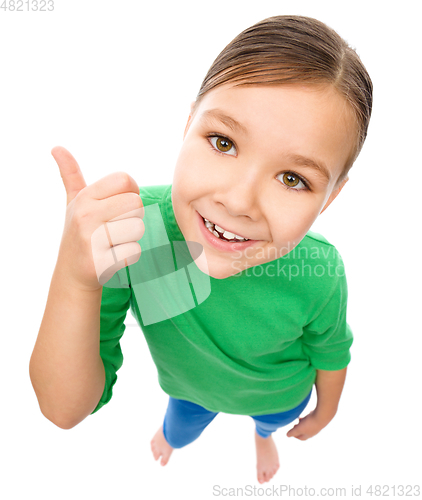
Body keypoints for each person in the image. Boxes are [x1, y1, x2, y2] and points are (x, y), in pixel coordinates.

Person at [29, 15, 372, 485]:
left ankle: (263, 436)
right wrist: (75, 277)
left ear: (330, 198)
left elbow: (331, 352)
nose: (237, 200)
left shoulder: (321, 271)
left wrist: (323, 413)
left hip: (280, 397)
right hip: (188, 393)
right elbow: (63, 409)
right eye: (223, 142)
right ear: (189, 124)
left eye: (293, 179)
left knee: (270, 422)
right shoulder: (134, 235)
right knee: (180, 429)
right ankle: (174, 436)